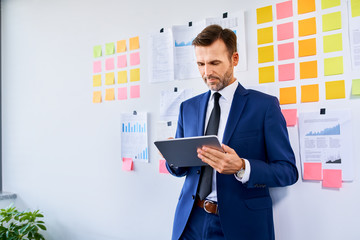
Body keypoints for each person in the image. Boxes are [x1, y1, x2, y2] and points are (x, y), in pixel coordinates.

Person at [166, 24, 299, 240]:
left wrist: (242, 167)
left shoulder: (264, 107)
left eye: (214, 63)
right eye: (200, 64)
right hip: (190, 220)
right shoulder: (187, 108)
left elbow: (288, 171)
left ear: (234, 59)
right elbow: (181, 170)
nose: (206, 72)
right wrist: (173, 159)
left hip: (241, 225)